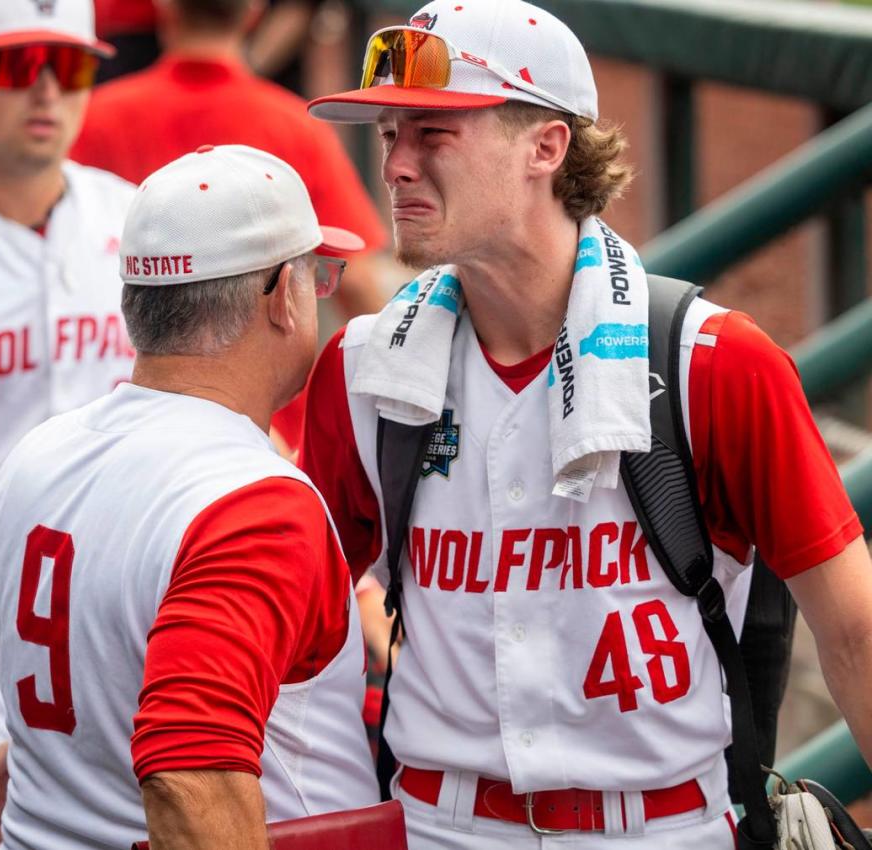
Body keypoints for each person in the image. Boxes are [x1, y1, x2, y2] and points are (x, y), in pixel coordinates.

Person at [299, 1, 872, 848]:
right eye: (390, 136)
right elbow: (297, 632)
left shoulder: (712, 364)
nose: (397, 166)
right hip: (437, 827)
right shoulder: (360, 371)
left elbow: (853, 632)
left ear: (546, 146)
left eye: (434, 133)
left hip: (669, 829)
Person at [0, 145, 378, 850]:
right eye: (317, 276)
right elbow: (191, 773)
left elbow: (112, 659)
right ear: (284, 295)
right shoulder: (253, 501)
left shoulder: (39, 454)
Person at [0, 0, 135, 846]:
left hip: (105, 613)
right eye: (16, 64)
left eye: (71, 65)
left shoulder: (138, 218)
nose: (47, 88)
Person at [70, 0, 389, 330]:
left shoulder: (94, 117)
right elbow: (355, 281)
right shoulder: (296, 126)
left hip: (121, 357)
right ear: (253, 13)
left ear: (166, 9)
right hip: (254, 369)